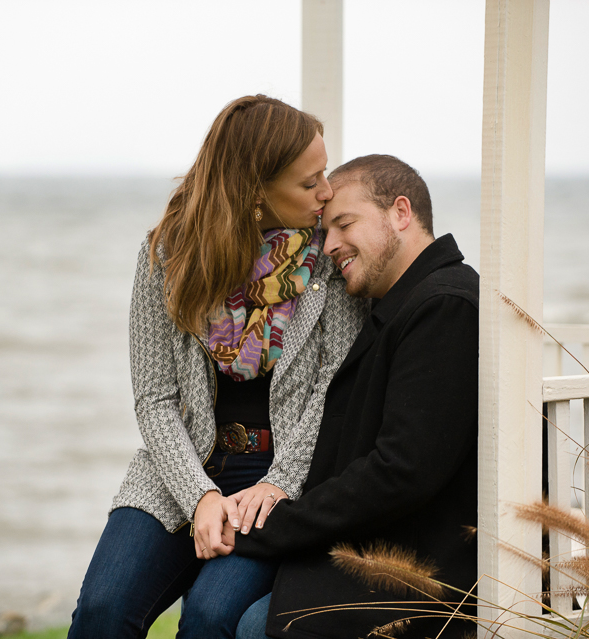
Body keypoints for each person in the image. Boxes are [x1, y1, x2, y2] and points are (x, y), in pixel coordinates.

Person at [67, 95, 366, 639]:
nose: (328, 192)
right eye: (309, 182)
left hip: (278, 480)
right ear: (255, 190)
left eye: (324, 173)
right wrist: (198, 494)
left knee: (210, 617)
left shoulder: (331, 260)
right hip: (182, 465)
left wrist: (277, 485)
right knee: (102, 613)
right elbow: (154, 398)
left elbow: (331, 394)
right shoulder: (166, 256)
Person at [230, 155, 480, 639]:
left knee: (250, 627)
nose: (330, 247)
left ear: (401, 213)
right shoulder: (403, 303)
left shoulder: (443, 307)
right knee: (218, 607)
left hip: (428, 571)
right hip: (385, 545)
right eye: (324, 232)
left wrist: (277, 527)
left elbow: (401, 471)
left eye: (344, 224)